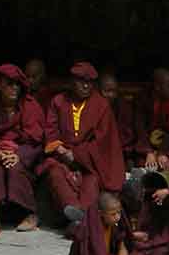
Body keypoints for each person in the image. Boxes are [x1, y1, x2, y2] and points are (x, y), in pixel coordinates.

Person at [40, 62, 125, 224]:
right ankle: (75, 211)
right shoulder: (58, 101)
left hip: (90, 162)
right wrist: (61, 150)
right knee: (54, 172)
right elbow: (51, 132)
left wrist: (77, 155)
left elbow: (103, 141)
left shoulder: (101, 105)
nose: (86, 86)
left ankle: (80, 218)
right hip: (62, 157)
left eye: (90, 82)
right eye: (81, 81)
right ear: (72, 82)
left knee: (92, 181)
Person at [0, 64, 44, 232]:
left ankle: (29, 214)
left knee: (15, 169)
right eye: (9, 84)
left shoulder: (30, 105)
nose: (14, 88)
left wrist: (19, 154)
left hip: (24, 155)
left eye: (17, 84)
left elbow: (37, 140)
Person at [65, 192, 132, 255]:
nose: (118, 217)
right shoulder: (89, 228)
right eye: (113, 214)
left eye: (119, 212)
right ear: (101, 213)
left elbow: (122, 245)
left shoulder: (115, 226)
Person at [126, 171, 169, 255]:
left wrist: (168, 192)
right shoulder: (135, 202)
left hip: (161, 245)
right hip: (140, 246)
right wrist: (133, 235)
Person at [135, 68, 169, 170]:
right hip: (147, 143)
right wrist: (148, 151)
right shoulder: (144, 100)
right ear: (157, 87)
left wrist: (162, 152)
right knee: (143, 163)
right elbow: (139, 128)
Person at [99, 72, 138, 168]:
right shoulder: (92, 108)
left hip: (120, 151)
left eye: (114, 91)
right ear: (99, 91)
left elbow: (128, 135)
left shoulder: (123, 107)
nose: (111, 95)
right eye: (107, 91)